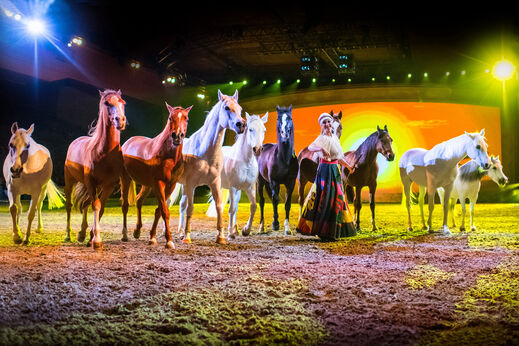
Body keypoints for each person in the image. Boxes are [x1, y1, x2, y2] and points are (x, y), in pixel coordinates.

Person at [296, 112, 356, 240]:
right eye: (324, 123)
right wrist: (321, 149)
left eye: (329, 122)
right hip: (325, 169)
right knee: (327, 200)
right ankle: (325, 232)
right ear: (321, 126)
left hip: (335, 169)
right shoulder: (322, 138)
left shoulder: (334, 137)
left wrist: (349, 167)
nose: (327, 124)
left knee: (339, 197)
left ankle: (335, 230)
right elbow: (311, 147)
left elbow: (339, 157)